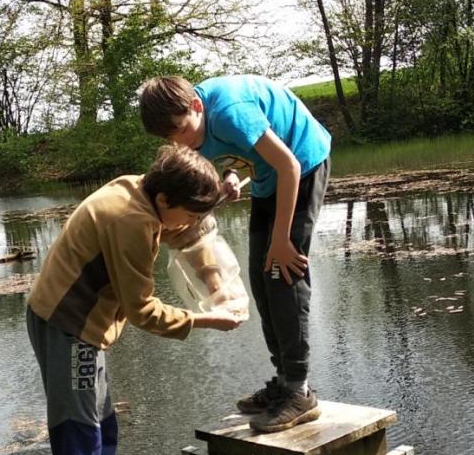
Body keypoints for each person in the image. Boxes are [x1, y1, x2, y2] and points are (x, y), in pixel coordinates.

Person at [26, 145, 242, 455]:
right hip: (69, 331)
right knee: (79, 441)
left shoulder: (140, 189)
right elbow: (142, 311)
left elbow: (190, 233)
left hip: (84, 329)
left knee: (103, 430)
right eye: (184, 213)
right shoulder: (132, 221)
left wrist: (217, 282)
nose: (184, 225)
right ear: (165, 201)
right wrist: (206, 320)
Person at [138, 74, 331, 433]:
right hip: (267, 175)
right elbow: (234, 150)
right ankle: (283, 381)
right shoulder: (190, 127)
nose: (179, 141)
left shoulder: (228, 112)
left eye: (181, 130)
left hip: (301, 164)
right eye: (169, 137)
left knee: (282, 272)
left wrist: (282, 239)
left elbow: (288, 164)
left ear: (196, 106)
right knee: (260, 277)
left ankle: (299, 391)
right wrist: (228, 173)